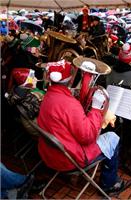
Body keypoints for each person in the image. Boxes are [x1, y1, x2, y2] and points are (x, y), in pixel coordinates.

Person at [37, 60, 124, 194]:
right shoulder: (69, 104)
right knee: (113, 137)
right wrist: (95, 109)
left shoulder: (48, 96)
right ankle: (109, 184)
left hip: (49, 155)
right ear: (70, 79)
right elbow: (88, 137)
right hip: (70, 159)